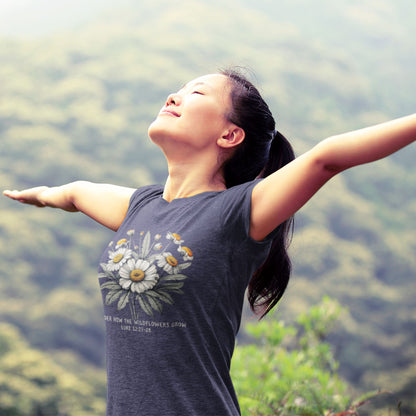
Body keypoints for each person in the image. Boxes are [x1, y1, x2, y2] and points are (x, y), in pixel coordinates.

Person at [3, 68, 416, 416]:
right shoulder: (139, 207)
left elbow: (327, 158)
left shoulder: (238, 213)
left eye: (195, 92)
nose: (174, 96)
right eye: (179, 90)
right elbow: (76, 192)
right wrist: (37, 194)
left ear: (230, 135)